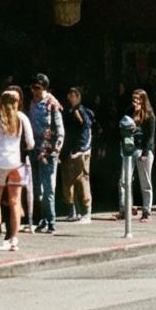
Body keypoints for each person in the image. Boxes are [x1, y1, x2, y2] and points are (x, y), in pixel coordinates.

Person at [0, 86, 35, 252]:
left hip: (0, 162)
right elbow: (31, 143)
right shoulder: (22, 118)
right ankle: (13, 239)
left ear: (0, 103)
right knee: (15, 202)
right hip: (17, 163)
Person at [27, 76, 64, 236]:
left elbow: (60, 130)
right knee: (37, 188)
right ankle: (42, 218)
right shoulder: (32, 103)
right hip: (34, 149)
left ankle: (51, 220)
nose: (35, 91)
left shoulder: (51, 104)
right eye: (33, 88)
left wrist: (56, 148)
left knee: (48, 187)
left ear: (44, 88)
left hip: (47, 150)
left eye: (38, 88)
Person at [63, 84, 95, 224]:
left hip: (80, 151)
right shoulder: (71, 111)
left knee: (82, 180)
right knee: (70, 181)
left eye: (72, 95)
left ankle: (86, 212)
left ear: (78, 97)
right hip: (72, 150)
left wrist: (82, 150)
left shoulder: (80, 111)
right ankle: (73, 211)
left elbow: (86, 130)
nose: (69, 97)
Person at [125, 89, 156, 219]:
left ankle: (146, 211)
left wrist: (145, 152)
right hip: (130, 149)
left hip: (143, 150)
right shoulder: (130, 112)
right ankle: (127, 208)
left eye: (137, 99)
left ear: (143, 100)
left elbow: (150, 137)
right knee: (125, 180)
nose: (135, 102)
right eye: (133, 99)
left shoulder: (150, 116)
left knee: (145, 181)